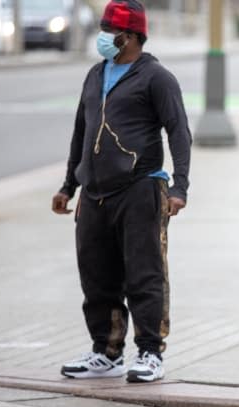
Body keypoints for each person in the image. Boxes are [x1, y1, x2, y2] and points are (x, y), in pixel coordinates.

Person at [51, 0, 191, 383]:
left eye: (110, 32)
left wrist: (179, 186)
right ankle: (107, 352)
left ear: (130, 37)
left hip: (140, 189)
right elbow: (81, 131)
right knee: (96, 275)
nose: (103, 38)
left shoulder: (156, 78)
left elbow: (179, 131)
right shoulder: (95, 75)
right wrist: (69, 184)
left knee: (144, 274)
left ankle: (150, 353)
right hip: (94, 193)